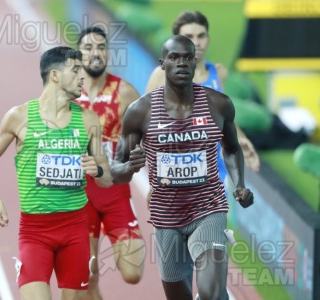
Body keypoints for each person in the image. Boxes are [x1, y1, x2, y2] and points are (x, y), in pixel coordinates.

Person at [111, 35, 254, 300]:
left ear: (194, 60)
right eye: (174, 58)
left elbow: (232, 148)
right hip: (166, 218)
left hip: (208, 209)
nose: (181, 63)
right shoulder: (140, 111)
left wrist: (240, 185)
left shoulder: (218, 104)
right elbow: (115, 172)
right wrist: (130, 166)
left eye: (187, 57)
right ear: (162, 64)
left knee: (211, 293)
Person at [0, 46, 112, 300]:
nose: (82, 77)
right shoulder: (19, 117)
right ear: (55, 75)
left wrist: (96, 169)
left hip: (75, 229)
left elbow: (106, 178)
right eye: (75, 71)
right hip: (35, 231)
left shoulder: (88, 120)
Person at [73, 26, 145, 300]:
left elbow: (150, 135)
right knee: (86, 278)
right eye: (88, 48)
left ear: (107, 53)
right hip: (79, 196)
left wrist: (153, 183)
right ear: (78, 55)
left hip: (115, 192)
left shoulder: (125, 93)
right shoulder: (67, 94)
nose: (95, 53)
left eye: (101, 47)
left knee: (133, 272)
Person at [146, 10, 260, 173]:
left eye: (201, 36)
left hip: (215, 173)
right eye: (189, 37)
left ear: (208, 39)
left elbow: (225, 119)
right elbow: (145, 125)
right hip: (176, 172)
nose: (197, 42)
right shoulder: (162, 75)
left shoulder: (219, 73)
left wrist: (241, 139)